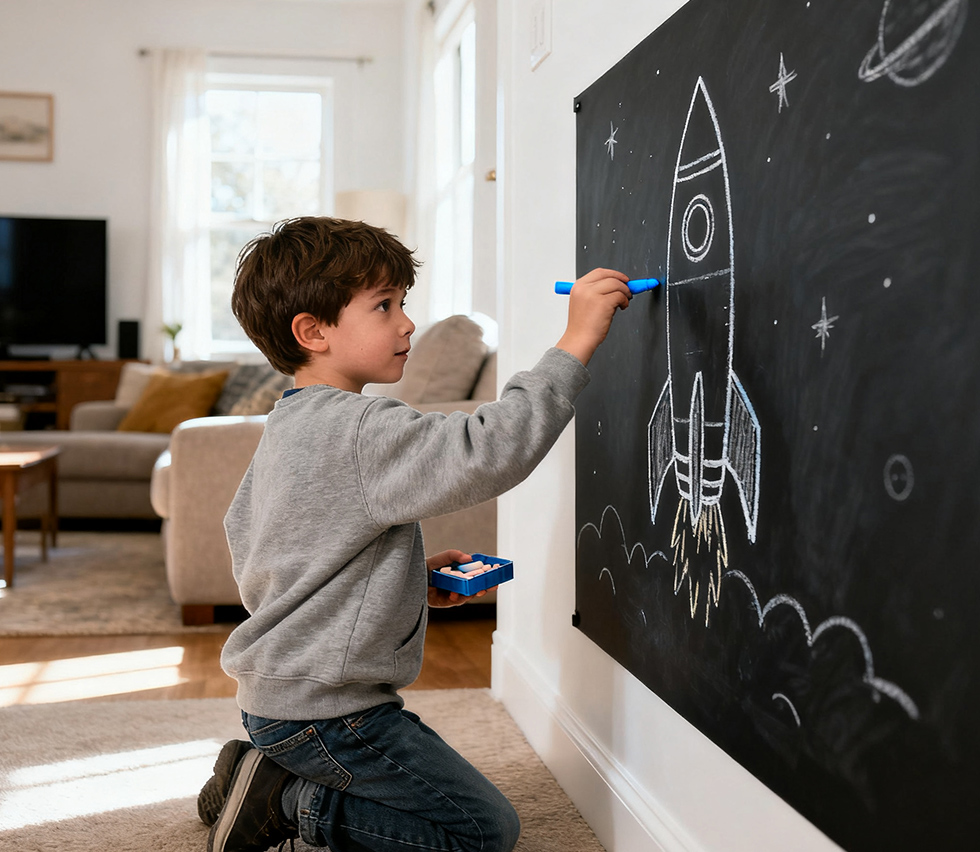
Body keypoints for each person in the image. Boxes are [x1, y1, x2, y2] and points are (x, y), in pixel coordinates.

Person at [200, 216, 632, 852]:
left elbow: (286, 556)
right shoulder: (362, 426)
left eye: (404, 303)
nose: (406, 324)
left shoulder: (290, 425)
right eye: (384, 306)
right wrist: (574, 343)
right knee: (482, 833)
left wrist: (406, 582)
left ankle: (262, 767)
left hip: (286, 699)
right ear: (312, 331)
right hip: (332, 715)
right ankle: (290, 802)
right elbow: (493, 449)